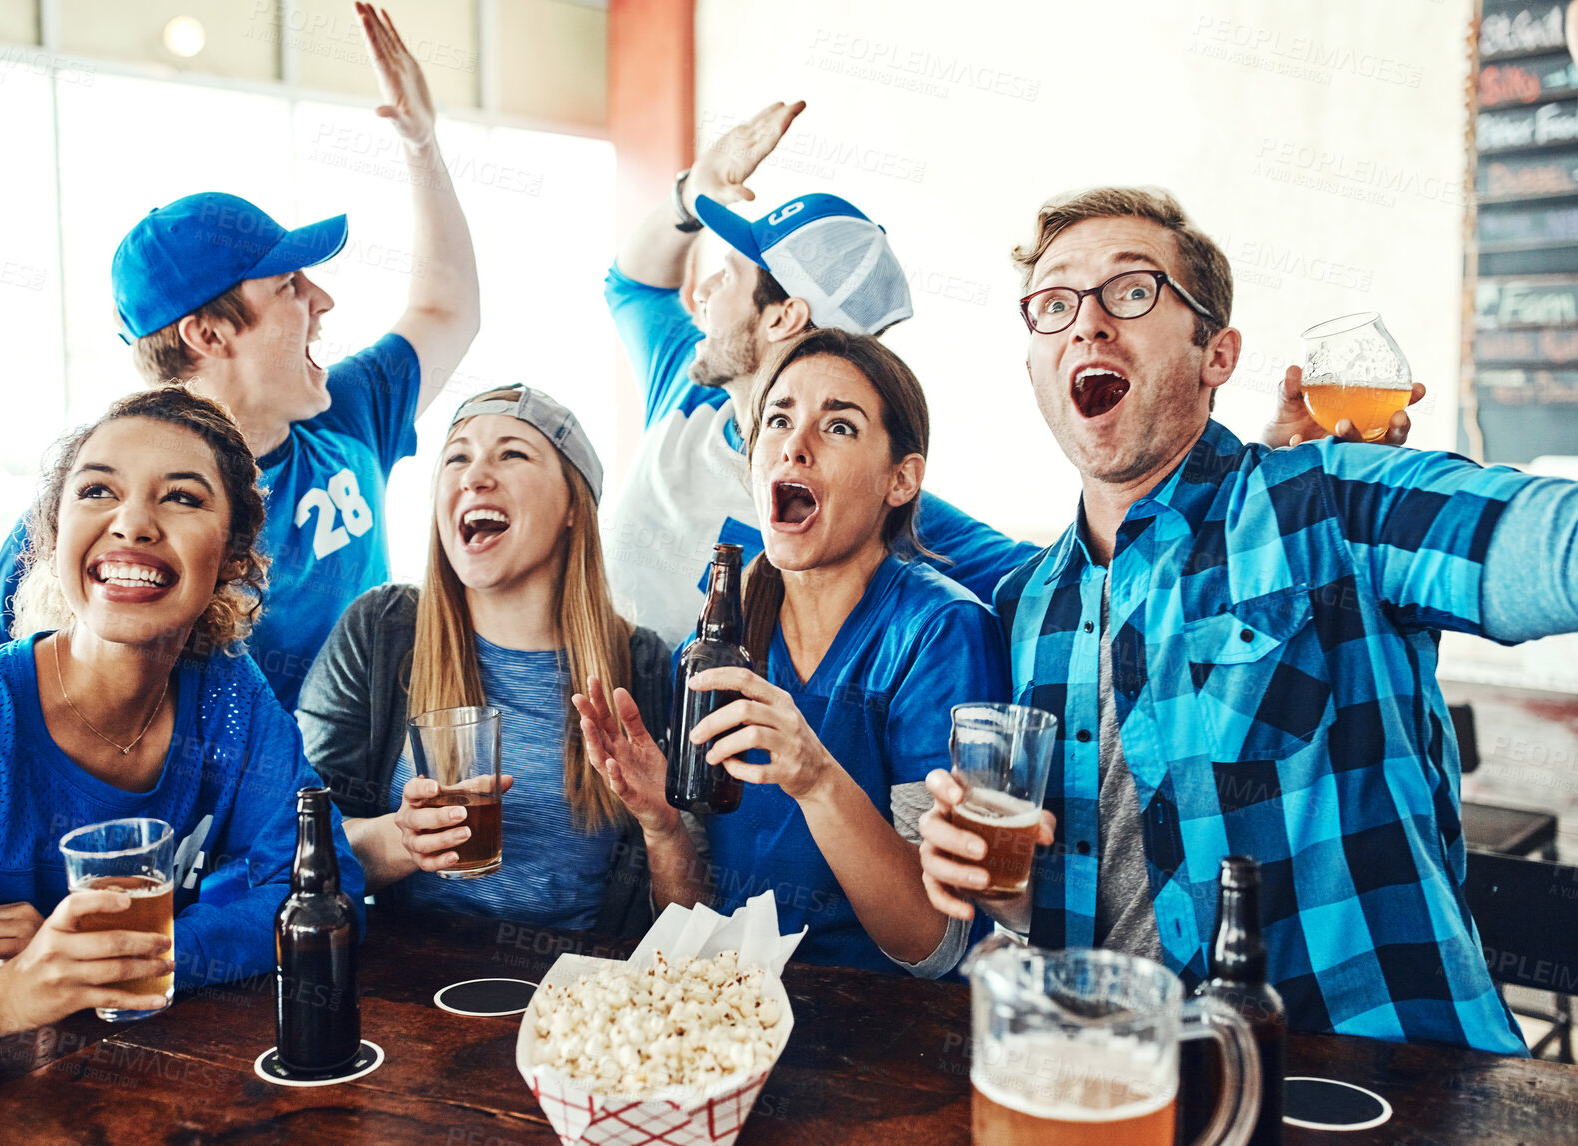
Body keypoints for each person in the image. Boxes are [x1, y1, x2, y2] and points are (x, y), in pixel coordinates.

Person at [917, 186, 1578, 1055]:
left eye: (1130, 291)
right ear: (1033, 367)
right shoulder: (1031, 607)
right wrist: (987, 881)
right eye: (1053, 303)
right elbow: (1072, 893)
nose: (1085, 323)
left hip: (1376, 1083)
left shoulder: (1325, 503)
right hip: (1128, 1082)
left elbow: (1550, 545)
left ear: (1216, 354)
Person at [601, 103, 1420, 647]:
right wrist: (689, 191)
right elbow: (629, 282)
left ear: (782, 318)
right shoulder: (689, 386)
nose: (699, 288)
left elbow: (1089, 589)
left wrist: (1264, 486)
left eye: (727, 272)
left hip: (710, 796)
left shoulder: (884, 504)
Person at [0, 2, 480, 710]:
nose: (322, 299)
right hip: (224, 821)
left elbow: (448, 310)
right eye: (289, 284)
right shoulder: (99, 513)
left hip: (374, 808)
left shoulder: (342, 417)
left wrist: (421, 142)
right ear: (208, 334)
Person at [0, 388, 362, 1077]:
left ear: (235, 555)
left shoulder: (230, 696)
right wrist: (16, 992)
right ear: (54, 534)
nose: (133, 523)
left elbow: (322, 891)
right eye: (97, 490)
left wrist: (115, 951)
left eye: (181, 498)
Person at [580, 329, 1009, 977]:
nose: (795, 444)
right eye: (777, 419)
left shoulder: (941, 631)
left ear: (900, 480)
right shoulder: (713, 648)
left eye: (837, 427)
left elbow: (934, 945)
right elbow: (691, 926)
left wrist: (815, 777)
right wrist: (664, 825)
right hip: (735, 1018)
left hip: (879, 1036)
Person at [296, 386, 704, 935]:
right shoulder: (381, 629)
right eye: (457, 457)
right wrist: (402, 838)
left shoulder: (644, 664)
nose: (474, 475)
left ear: (571, 507)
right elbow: (294, 848)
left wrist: (664, 828)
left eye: (511, 454)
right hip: (413, 993)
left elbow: (692, 922)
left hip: (584, 995)